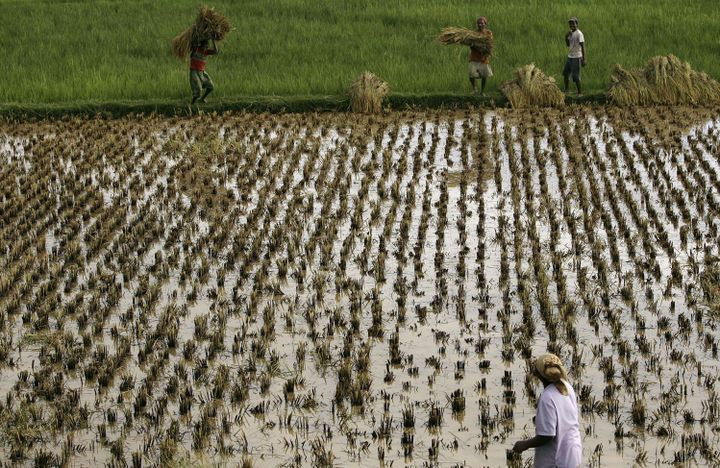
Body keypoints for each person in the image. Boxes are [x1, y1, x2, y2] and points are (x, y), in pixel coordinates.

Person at [512, 354, 582, 468]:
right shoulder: (568, 387)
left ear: (539, 375)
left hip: (556, 459)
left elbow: (547, 435)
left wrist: (525, 444)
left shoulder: (547, 397)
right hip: (573, 453)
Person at [468, 16, 493, 95]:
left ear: (485, 24)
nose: (480, 25)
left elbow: (490, 44)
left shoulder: (488, 33)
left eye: (481, 23)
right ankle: (474, 88)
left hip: (483, 57)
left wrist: (486, 51)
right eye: (478, 23)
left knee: (484, 76)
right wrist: (473, 45)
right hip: (474, 57)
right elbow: (471, 45)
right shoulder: (474, 33)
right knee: (471, 74)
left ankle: (482, 91)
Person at [190, 38, 218, 104]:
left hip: (202, 72)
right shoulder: (196, 49)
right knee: (198, 91)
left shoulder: (206, 52)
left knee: (211, 87)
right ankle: (192, 103)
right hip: (194, 72)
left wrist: (213, 40)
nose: (206, 48)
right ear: (201, 45)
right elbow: (192, 53)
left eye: (207, 47)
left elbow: (216, 51)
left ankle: (202, 99)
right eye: (205, 46)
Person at [563, 17, 585, 95]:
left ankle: (580, 93)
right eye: (570, 24)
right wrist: (566, 36)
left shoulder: (579, 34)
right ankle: (567, 90)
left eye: (573, 23)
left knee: (575, 76)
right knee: (565, 73)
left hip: (577, 57)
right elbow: (568, 44)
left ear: (577, 24)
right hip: (570, 57)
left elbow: (583, 46)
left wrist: (583, 59)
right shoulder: (571, 33)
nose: (572, 25)